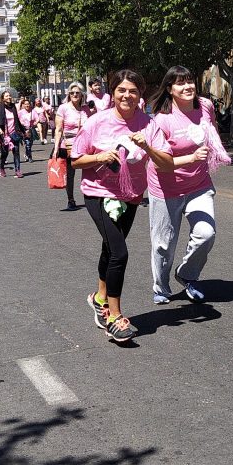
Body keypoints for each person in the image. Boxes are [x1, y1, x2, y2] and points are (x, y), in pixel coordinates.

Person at [74, 70, 167, 343]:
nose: (127, 95)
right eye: (122, 90)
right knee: (119, 252)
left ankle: (100, 298)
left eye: (133, 91)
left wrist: (148, 147)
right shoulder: (96, 122)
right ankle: (114, 316)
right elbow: (75, 158)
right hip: (98, 193)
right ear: (112, 92)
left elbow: (164, 161)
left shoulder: (148, 124)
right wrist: (100, 156)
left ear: (141, 95)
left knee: (110, 249)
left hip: (131, 195)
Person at [146, 66, 233, 305]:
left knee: (206, 233)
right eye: (180, 83)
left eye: (190, 81)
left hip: (199, 184)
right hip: (166, 188)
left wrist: (215, 150)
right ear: (169, 89)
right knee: (164, 244)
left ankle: (187, 275)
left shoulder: (205, 105)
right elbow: (161, 163)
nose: (187, 87)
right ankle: (161, 288)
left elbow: (212, 128)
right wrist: (192, 158)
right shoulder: (162, 120)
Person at [52, 82, 90, 210]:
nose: (74, 95)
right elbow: (58, 129)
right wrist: (56, 148)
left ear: (81, 95)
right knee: (70, 174)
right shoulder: (63, 108)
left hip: (84, 145)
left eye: (77, 93)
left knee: (89, 170)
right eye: (72, 92)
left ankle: (91, 197)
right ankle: (71, 199)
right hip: (68, 145)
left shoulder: (85, 109)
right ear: (69, 94)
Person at [0, 90, 26, 178]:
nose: (9, 97)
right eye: (7, 96)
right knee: (5, 153)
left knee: (16, 151)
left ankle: (17, 170)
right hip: (4, 134)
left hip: (14, 133)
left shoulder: (13, 107)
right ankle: (1, 167)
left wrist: (23, 131)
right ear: (3, 98)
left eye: (9, 96)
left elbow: (17, 120)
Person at [18, 97, 36, 162]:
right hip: (24, 130)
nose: (27, 105)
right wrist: (21, 124)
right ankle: (30, 156)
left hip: (31, 129)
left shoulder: (33, 111)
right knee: (27, 143)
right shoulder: (20, 112)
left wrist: (34, 123)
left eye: (28, 104)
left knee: (30, 144)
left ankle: (26, 153)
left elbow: (37, 119)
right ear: (23, 105)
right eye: (25, 104)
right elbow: (17, 120)